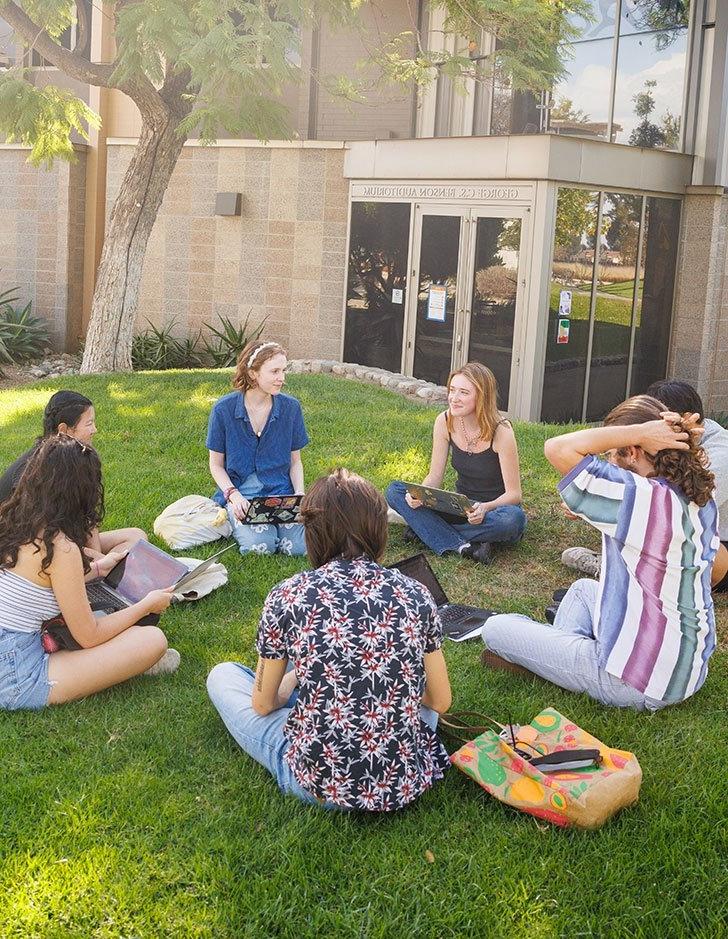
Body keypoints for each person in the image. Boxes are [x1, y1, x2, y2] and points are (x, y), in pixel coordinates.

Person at [207, 468, 452, 811]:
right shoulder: (416, 593)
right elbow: (439, 702)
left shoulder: (288, 596)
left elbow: (263, 704)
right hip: (403, 777)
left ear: (313, 533)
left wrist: (293, 678)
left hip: (319, 782)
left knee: (223, 675)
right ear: (378, 530)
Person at [482, 395, 718, 710]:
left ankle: (562, 664)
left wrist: (639, 430)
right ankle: (561, 660)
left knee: (494, 629)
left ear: (633, 450)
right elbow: (650, 541)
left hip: (638, 683)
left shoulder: (637, 497)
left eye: (609, 454)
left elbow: (557, 447)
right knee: (580, 590)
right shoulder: (692, 495)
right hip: (686, 669)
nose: (606, 461)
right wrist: (590, 510)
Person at [0, 435, 178, 712]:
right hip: (14, 671)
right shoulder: (60, 547)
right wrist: (146, 605)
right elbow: (90, 636)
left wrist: (97, 568)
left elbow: (37, 580)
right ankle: (125, 664)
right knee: (152, 640)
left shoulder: (15, 519)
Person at [562, 379, 728, 591]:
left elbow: (681, 507)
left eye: (656, 424)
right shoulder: (663, 449)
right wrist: (588, 494)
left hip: (718, 548)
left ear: (685, 420)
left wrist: (595, 498)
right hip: (682, 537)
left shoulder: (721, 452)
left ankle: (619, 571)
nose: (653, 432)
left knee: (664, 520)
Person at [386, 362, 526, 564]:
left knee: (513, 520)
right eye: (452, 390)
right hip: (459, 506)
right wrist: (421, 494)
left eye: (463, 392)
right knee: (395, 490)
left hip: (493, 511)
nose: (454, 398)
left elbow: (514, 494)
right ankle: (465, 546)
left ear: (481, 396)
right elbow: (435, 477)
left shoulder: (501, 431)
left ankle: (426, 530)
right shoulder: (444, 421)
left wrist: (485, 508)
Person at [0, 390, 147, 563]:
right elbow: (37, 534)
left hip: (63, 542)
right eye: (89, 423)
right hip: (25, 550)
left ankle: (98, 577)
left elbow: (87, 516)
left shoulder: (75, 460)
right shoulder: (36, 470)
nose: (95, 430)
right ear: (64, 430)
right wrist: (91, 563)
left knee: (136, 537)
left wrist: (96, 558)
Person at [206, 340, 308, 556]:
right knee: (260, 548)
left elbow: (295, 461)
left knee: (299, 548)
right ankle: (233, 519)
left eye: (283, 370)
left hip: (281, 492)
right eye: (275, 371)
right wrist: (233, 495)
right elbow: (216, 465)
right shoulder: (223, 409)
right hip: (242, 495)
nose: (282, 378)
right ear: (253, 373)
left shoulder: (291, 408)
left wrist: (299, 496)